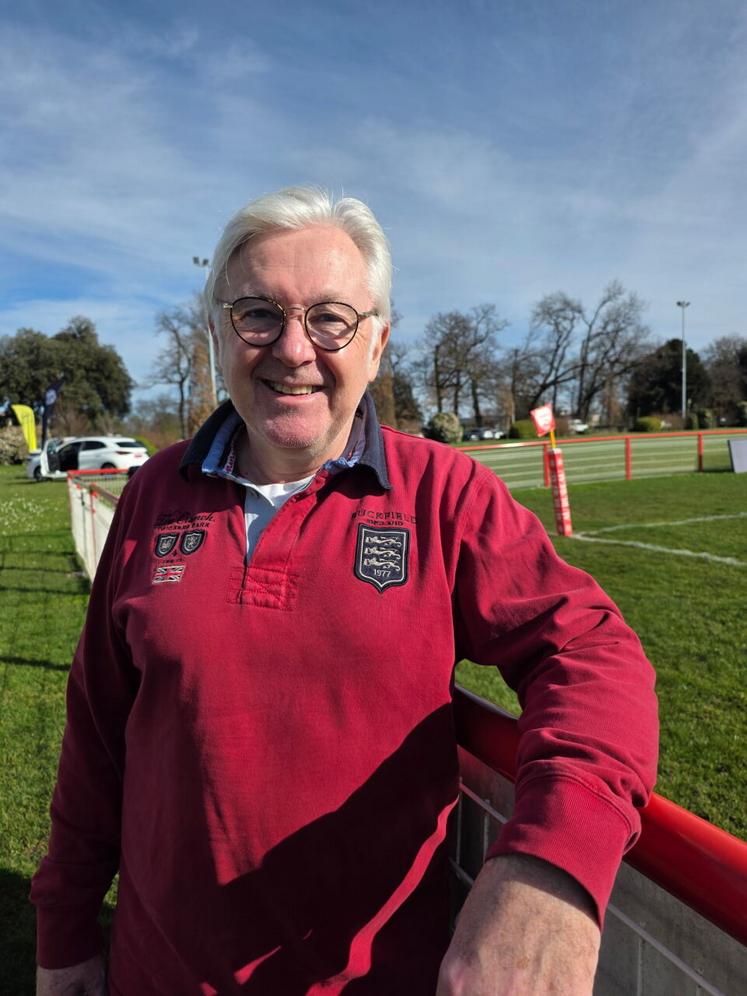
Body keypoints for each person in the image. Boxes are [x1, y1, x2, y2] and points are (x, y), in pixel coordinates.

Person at [32, 186, 658, 995]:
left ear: (377, 343)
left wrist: (552, 866)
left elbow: (589, 650)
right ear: (221, 332)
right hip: (157, 972)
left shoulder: (446, 494)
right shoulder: (154, 493)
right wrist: (66, 929)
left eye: (330, 317)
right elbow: (97, 734)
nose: (293, 349)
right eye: (258, 313)